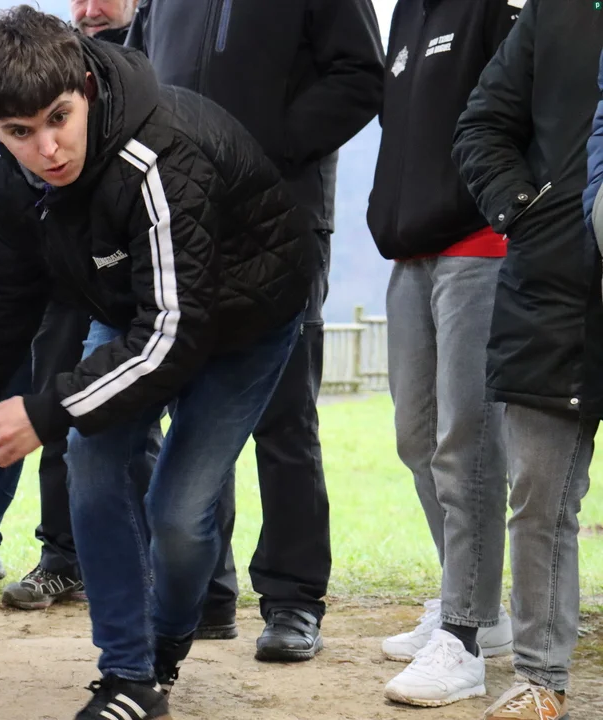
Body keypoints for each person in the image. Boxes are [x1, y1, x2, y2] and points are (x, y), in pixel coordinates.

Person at [0, 7, 316, 717]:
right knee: (91, 465)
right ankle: (129, 677)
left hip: (246, 319)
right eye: (20, 132)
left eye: (59, 119)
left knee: (178, 513)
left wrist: (46, 410)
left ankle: (165, 647)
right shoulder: (17, 180)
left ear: (86, 88)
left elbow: (174, 336)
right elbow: (1, 300)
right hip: (135, 312)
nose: (47, 149)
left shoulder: (159, 155)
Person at [127, 0, 384, 661]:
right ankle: (205, 593)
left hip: (281, 220)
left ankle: (293, 599)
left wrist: (267, 144)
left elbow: (361, 75)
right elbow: (135, 80)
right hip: (182, 223)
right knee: (189, 405)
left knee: (284, 414)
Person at [452, 1, 603, 716]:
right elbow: (481, 124)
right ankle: (541, 680)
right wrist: (528, 210)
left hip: (553, 287)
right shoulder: (556, 9)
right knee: (539, 497)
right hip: (554, 285)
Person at [368, 0, 519, 707]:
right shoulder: (406, 15)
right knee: (416, 439)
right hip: (410, 250)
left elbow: (524, 110)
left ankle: (464, 635)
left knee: (467, 444)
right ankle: (477, 608)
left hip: (478, 246)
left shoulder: (490, 6)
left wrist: (510, 205)